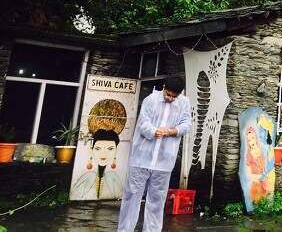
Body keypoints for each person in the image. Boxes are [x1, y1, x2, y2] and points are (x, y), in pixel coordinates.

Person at [117, 76, 192, 232]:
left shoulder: (184, 103)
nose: (170, 98)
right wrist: (154, 131)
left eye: (174, 96)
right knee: (132, 197)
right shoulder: (150, 99)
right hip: (141, 158)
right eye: (168, 94)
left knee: (157, 200)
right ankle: (125, 230)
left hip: (164, 161)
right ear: (164, 88)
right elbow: (143, 122)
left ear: (180, 93)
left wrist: (173, 131)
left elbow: (186, 124)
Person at [72, 129, 123, 199]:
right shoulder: (87, 176)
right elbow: (76, 195)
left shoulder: (113, 177)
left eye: (110, 149)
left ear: (116, 150)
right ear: (92, 150)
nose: (103, 154)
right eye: (98, 149)